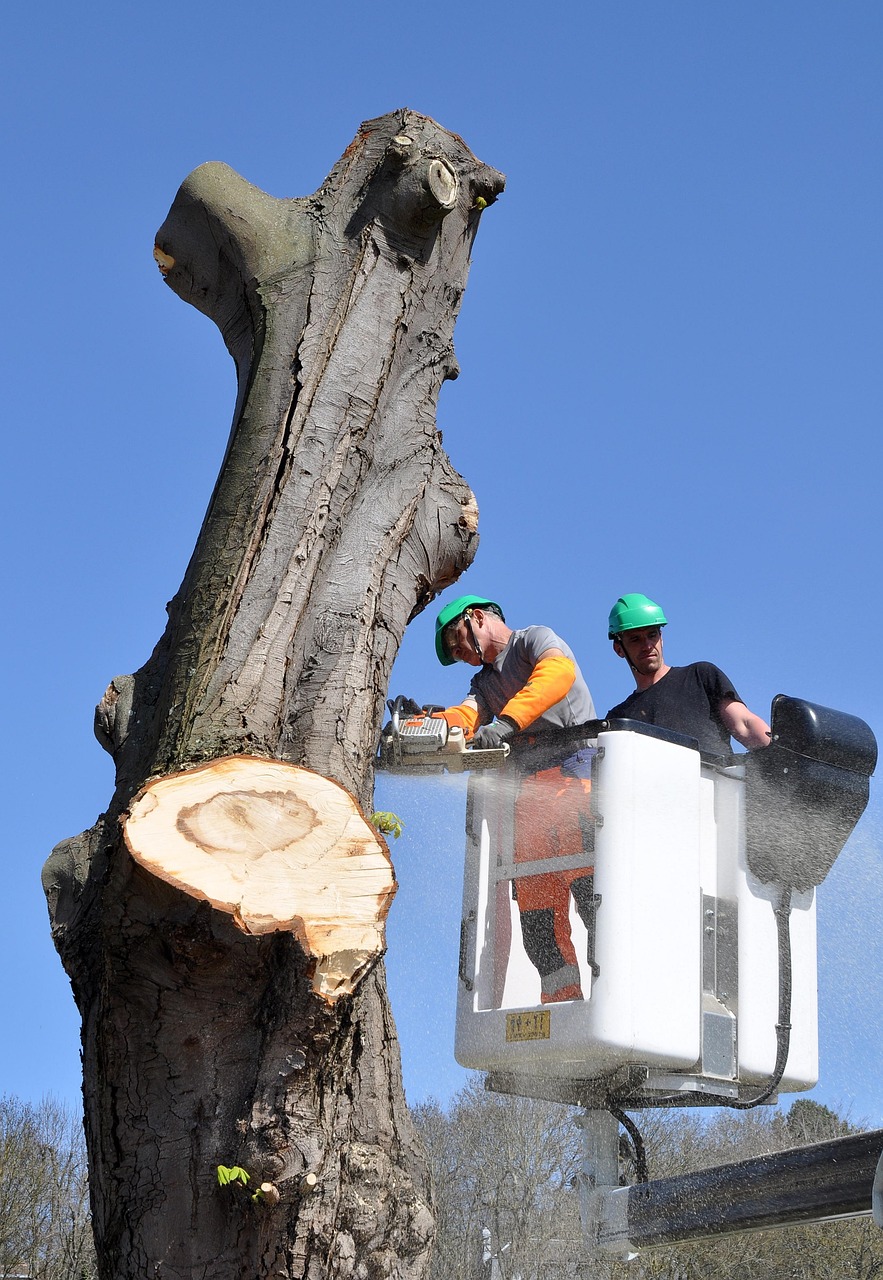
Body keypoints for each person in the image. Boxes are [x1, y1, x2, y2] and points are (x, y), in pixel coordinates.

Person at [411, 594, 598, 1004]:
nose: (459, 654)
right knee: (537, 918)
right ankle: (563, 1010)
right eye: (453, 653)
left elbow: (556, 674)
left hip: (576, 775)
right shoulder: (483, 683)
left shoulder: (534, 640)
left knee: (595, 900)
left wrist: (507, 723)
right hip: (529, 794)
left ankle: (612, 1003)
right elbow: (467, 716)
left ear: (477, 617)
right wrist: (426, 724)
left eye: (456, 641)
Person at [606, 593, 771, 755]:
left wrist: (778, 751)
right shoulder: (619, 719)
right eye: (635, 639)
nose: (648, 645)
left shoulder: (700, 676)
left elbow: (744, 724)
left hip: (714, 774)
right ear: (619, 649)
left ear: (661, 638)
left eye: (652, 635)